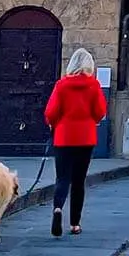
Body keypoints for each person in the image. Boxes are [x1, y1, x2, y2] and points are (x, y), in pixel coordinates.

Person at [44, 48, 107, 237]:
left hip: (63, 138)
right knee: (78, 182)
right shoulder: (94, 85)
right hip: (85, 138)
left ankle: (57, 209)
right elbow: (100, 111)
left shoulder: (61, 85)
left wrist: (53, 124)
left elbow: (51, 112)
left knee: (62, 178)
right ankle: (75, 224)